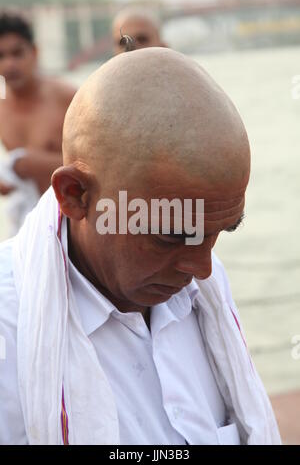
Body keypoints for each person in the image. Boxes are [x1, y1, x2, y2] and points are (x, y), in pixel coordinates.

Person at [0, 47, 281, 445]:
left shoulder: (203, 293)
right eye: (171, 236)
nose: (203, 268)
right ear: (75, 194)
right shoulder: (9, 332)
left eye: (219, 232)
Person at [0, 13, 76, 234]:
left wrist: (31, 163)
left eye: (17, 53)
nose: (9, 64)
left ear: (34, 52)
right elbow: (13, 181)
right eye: (1, 56)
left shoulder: (68, 98)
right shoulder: (1, 109)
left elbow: (101, 163)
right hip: (29, 226)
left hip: (73, 223)